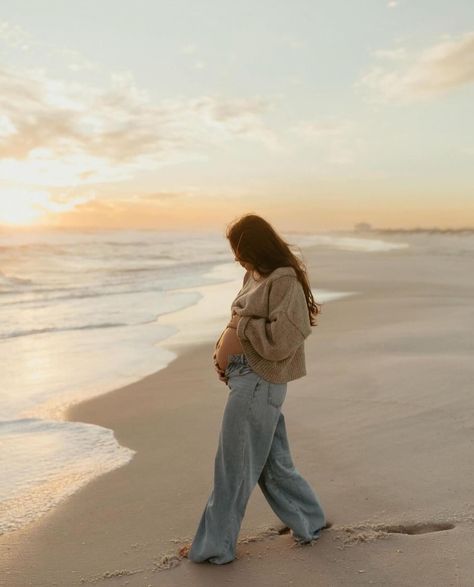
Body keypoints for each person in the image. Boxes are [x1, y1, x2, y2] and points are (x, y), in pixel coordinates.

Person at [186, 213, 327, 565]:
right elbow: (240, 321)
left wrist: (241, 331)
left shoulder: (285, 281)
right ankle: (311, 520)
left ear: (257, 246)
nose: (237, 259)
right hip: (246, 380)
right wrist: (226, 356)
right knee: (271, 464)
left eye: (240, 251)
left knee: (232, 467)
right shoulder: (254, 275)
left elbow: (284, 340)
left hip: (259, 383)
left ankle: (215, 546)